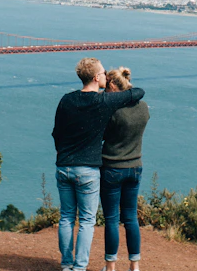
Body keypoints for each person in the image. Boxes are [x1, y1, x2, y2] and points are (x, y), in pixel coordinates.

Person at [52, 58, 145, 271]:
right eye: (103, 73)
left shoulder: (66, 99)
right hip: (88, 170)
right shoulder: (103, 103)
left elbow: (56, 132)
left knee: (66, 217)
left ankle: (66, 265)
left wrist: (63, 153)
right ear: (96, 77)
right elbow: (138, 92)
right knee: (86, 221)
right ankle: (80, 267)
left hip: (64, 166)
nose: (105, 76)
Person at [99, 67, 150, 271]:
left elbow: (101, 134)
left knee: (111, 218)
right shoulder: (144, 108)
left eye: (106, 88)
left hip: (112, 167)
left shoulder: (113, 111)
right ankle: (134, 266)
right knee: (130, 217)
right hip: (135, 167)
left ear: (112, 85)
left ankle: (111, 266)